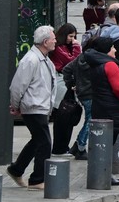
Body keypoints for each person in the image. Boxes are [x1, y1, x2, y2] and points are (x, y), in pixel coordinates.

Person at [6, 25, 57, 189]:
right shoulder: (31, 60)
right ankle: (37, 179)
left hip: (40, 106)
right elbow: (17, 86)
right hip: (34, 106)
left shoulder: (44, 58)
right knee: (45, 143)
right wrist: (15, 105)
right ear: (45, 41)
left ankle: (16, 169)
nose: (55, 40)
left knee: (37, 141)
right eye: (53, 38)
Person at [78, 34, 119, 184]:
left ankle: (101, 173)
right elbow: (117, 87)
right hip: (111, 108)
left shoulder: (95, 62)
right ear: (107, 49)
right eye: (113, 47)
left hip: (100, 106)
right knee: (109, 142)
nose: (115, 50)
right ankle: (105, 175)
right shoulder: (109, 64)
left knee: (104, 142)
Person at [47, 22, 83, 156]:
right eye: (70, 36)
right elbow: (72, 61)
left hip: (65, 83)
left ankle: (63, 146)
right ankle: (59, 148)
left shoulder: (65, 47)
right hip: (61, 84)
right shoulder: (59, 48)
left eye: (74, 37)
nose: (72, 39)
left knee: (66, 116)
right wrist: (76, 46)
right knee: (63, 116)